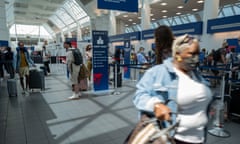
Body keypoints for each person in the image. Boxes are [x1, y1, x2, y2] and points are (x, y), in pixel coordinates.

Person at [133, 34, 212, 144]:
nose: (196, 58)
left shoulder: (198, 77)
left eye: (198, 54)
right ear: (178, 54)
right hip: (173, 138)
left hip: (199, 138)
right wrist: (155, 105)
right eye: (192, 54)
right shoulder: (157, 72)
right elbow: (139, 96)